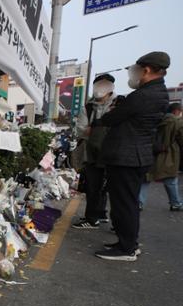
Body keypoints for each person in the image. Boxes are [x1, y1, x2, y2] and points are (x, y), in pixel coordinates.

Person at [95, 52, 170, 262]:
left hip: (126, 157)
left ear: (146, 70)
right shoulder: (158, 92)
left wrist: (111, 112)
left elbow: (111, 119)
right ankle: (127, 243)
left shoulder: (143, 95)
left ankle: (126, 248)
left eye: (136, 71)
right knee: (127, 202)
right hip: (135, 156)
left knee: (124, 204)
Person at [72, 74, 118, 229]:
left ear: (111, 87)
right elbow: (81, 130)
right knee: (94, 185)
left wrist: (95, 127)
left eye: (105, 85)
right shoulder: (88, 107)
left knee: (116, 189)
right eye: (98, 84)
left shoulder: (119, 104)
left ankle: (109, 218)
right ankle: (92, 218)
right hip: (92, 152)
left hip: (115, 152)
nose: (100, 88)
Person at [138, 103, 183, 210]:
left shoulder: (154, 119)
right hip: (168, 155)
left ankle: (139, 202)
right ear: (176, 111)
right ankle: (175, 203)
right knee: (171, 180)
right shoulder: (176, 122)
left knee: (145, 179)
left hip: (149, 153)